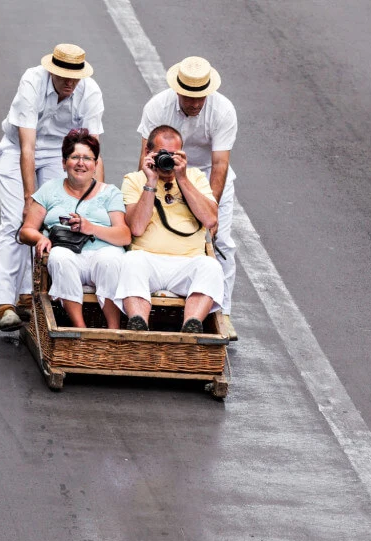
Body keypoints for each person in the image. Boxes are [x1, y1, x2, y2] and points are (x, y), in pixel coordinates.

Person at [0, 43, 105, 331]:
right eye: (63, 76)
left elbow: (94, 150)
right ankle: (4, 303)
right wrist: (30, 198)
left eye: (74, 77)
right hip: (18, 149)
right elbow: (27, 146)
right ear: (51, 71)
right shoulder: (32, 81)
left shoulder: (90, 92)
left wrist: (98, 199)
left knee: (55, 222)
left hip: (60, 153)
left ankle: (29, 295)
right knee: (15, 221)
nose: (69, 83)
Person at [136, 56, 239, 339]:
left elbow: (219, 164)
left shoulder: (224, 110)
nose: (195, 103)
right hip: (164, 173)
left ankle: (224, 313)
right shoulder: (157, 106)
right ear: (178, 91)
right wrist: (144, 187)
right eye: (190, 98)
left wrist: (210, 208)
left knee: (221, 243)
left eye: (200, 98)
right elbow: (144, 155)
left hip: (206, 175)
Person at [116, 125, 224, 333]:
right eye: (162, 154)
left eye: (173, 154)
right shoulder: (134, 180)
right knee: (131, 261)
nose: (168, 160)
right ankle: (138, 325)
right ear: (148, 153)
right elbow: (136, 228)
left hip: (188, 262)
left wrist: (182, 178)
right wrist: (151, 182)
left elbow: (210, 219)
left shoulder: (195, 177)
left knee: (211, 267)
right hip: (148, 260)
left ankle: (191, 327)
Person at [18, 129, 129, 329]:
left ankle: (114, 330)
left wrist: (90, 227)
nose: (81, 163)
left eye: (87, 158)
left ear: (95, 165)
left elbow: (124, 235)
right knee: (59, 256)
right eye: (75, 157)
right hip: (67, 253)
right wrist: (39, 239)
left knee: (110, 260)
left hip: (102, 252)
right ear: (63, 163)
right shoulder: (49, 189)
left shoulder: (110, 192)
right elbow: (26, 230)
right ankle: (80, 329)